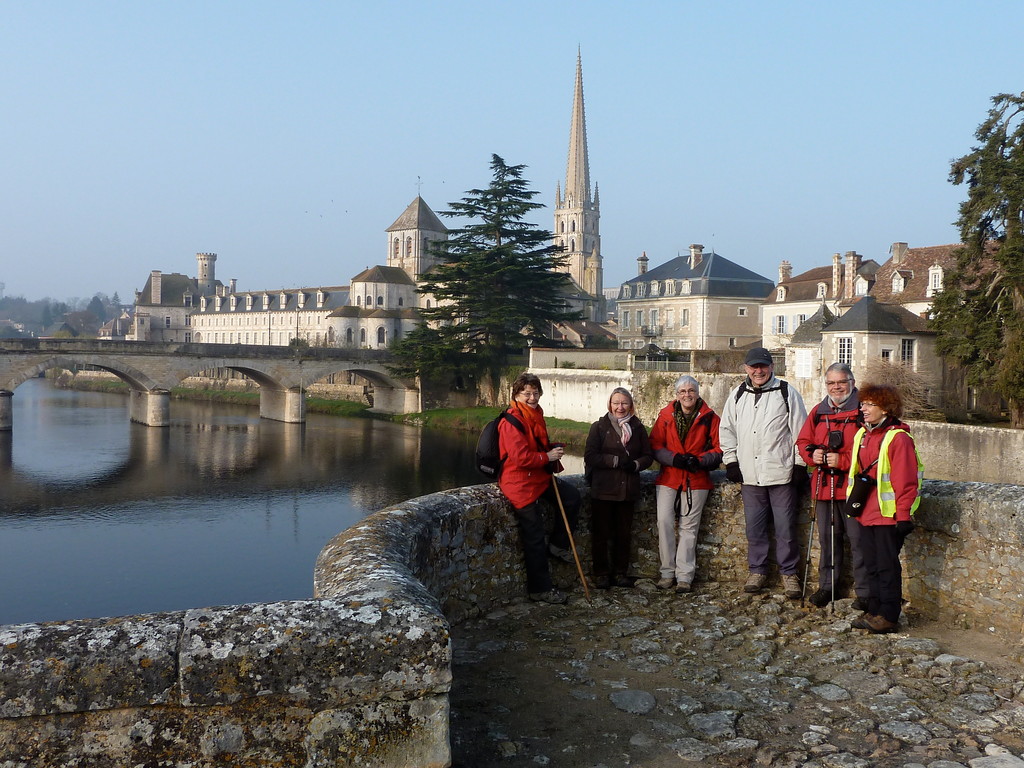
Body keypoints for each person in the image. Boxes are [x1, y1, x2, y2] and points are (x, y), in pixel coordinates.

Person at [719, 347, 808, 598]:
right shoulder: (737, 395)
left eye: (763, 366)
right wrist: (731, 461)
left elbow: (800, 432)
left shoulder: (786, 392)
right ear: (746, 368)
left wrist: (800, 464)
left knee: (785, 529)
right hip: (749, 474)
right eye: (753, 366)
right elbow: (727, 431)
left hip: (780, 472)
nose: (758, 371)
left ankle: (789, 574)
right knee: (754, 529)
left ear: (771, 367)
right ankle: (757, 571)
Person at [497, 372, 581, 604]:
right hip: (519, 483)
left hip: (538, 477)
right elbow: (520, 458)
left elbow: (533, 445)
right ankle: (540, 588)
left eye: (535, 393)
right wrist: (547, 456)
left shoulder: (534, 414)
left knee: (572, 497)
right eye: (527, 394)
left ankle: (558, 545)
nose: (532, 397)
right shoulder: (511, 421)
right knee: (533, 535)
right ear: (516, 395)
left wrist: (549, 449)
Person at [847, 384, 923, 634]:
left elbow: (906, 480)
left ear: (886, 409)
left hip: (887, 516)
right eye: (863, 403)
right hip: (866, 514)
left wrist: (903, 516)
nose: (863, 408)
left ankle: (889, 616)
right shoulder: (864, 434)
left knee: (886, 566)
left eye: (870, 404)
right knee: (871, 564)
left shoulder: (897, 438)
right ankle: (875, 610)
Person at [795, 363, 868, 609]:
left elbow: (874, 450)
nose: (836, 387)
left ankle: (865, 591)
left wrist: (845, 461)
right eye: (831, 383)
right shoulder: (818, 411)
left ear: (852, 383)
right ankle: (828, 587)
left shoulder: (863, 412)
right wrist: (812, 456)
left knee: (859, 539)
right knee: (828, 539)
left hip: (854, 487)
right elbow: (803, 440)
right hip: (824, 486)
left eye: (841, 382)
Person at [649, 375, 722, 593]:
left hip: (696, 478)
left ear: (698, 393)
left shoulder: (710, 418)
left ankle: (684, 576)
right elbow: (655, 445)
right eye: (683, 391)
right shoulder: (665, 416)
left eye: (691, 391)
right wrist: (674, 459)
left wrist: (699, 461)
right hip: (670, 475)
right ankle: (666, 572)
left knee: (689, 528)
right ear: (677, 394)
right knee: (664, 522)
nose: (687, 395)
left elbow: (719, 449)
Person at [584, 387, 653, 589]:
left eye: (624, 403)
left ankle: (621, 573)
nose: (620, 407)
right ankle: (601, 574)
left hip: (627, 489)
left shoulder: (638, 428)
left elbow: (648, 456)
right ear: (610, 405)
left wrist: (635, 465)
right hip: (603, 489)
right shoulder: (599, 427)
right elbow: (590, 456)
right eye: (616, 403)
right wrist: (615, 460)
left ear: (630, 406)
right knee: (601, 534)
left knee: (624, 533)